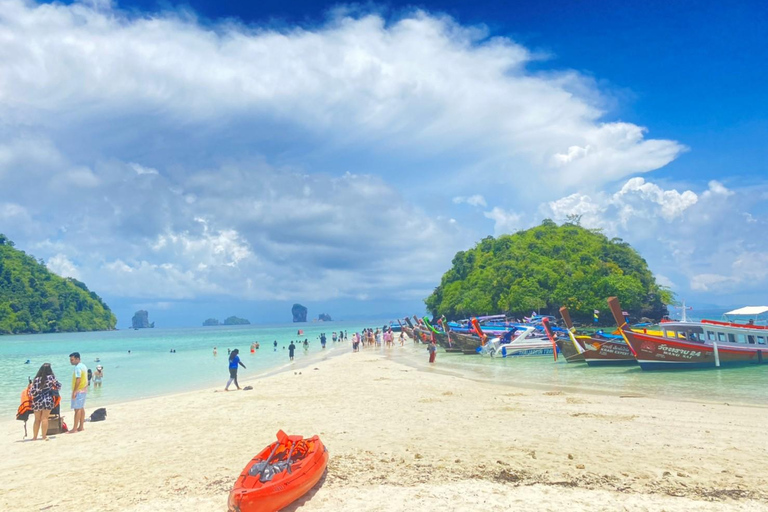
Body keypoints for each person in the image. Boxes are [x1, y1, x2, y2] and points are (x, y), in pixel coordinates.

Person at [29, 363, 61, 441]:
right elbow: (59, 386)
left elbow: (31, 392)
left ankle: (34, 437)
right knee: (45, 418)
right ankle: (44, 436)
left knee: (37, 419)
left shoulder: (36, 379)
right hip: (48, 400)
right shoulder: (51, 378)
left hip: (37, 401)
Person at [69, 352, 88, 433]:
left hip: (79, 390)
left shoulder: (78, 367)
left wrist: (74, 391)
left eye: (72, 360)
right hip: (84, 390)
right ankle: (81, 426)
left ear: (77, 359)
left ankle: (75, 428)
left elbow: (78, 379)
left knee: (77, 409)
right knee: (81, 408)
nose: (71, 361)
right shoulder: (83, 366)